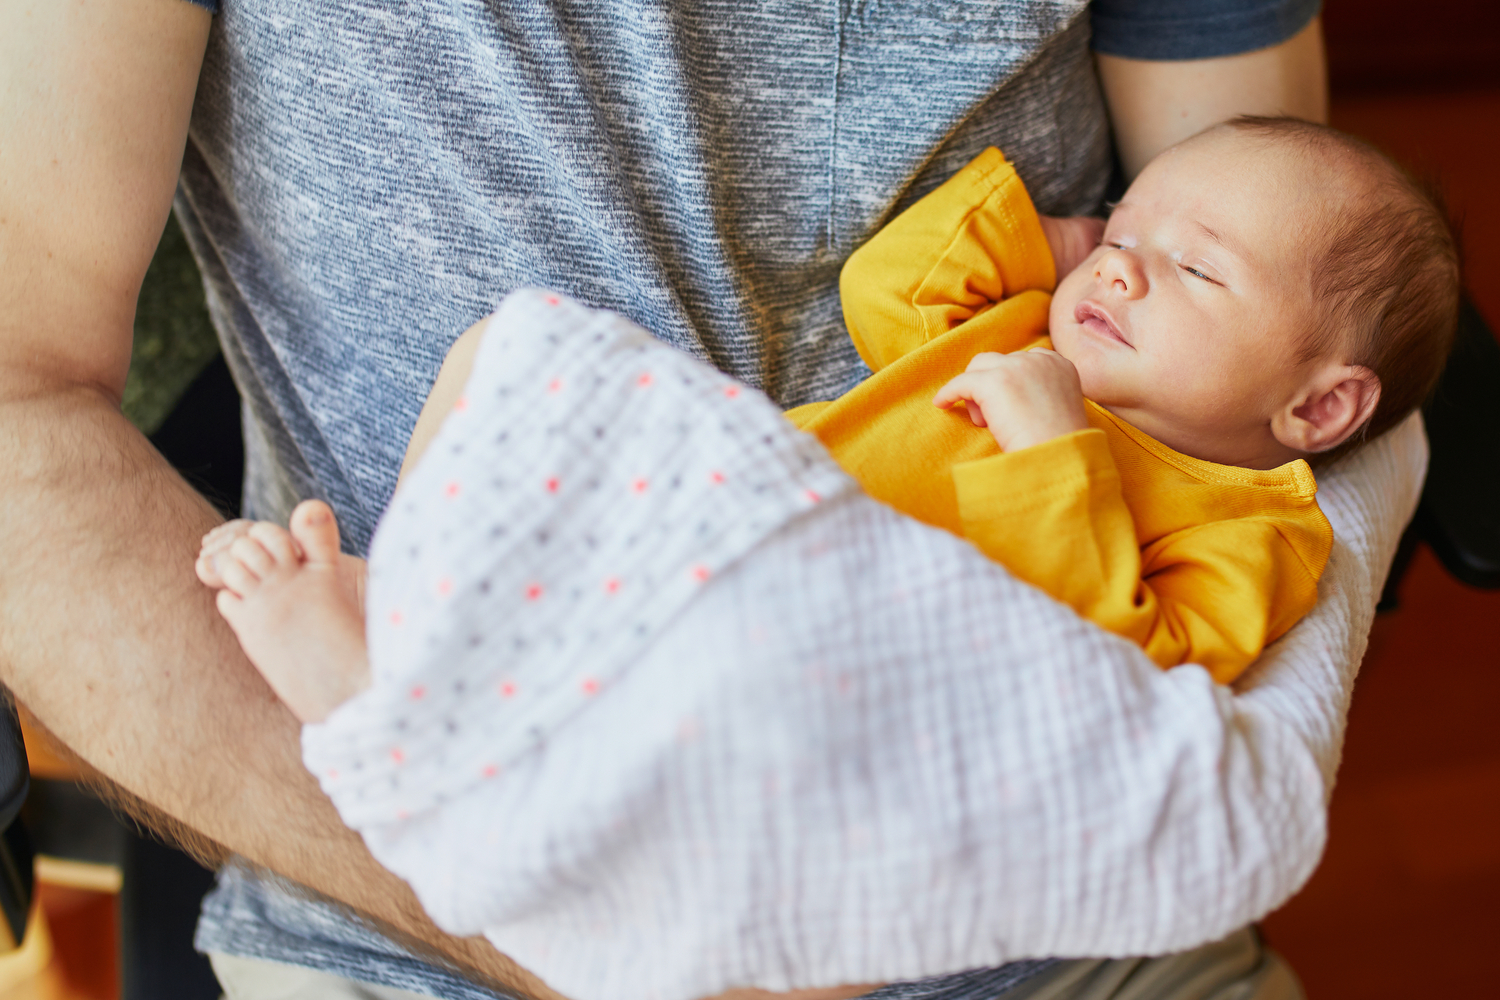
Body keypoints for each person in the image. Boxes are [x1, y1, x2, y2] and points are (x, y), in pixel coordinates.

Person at [0, 0, 1387, 996]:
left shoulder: (1203, 488)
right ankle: (402, 710)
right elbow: (16, 400)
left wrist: (1059, 458)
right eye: (1132, 244)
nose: (1132, 269)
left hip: (1028, 908)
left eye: (1180, 266)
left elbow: (1282, 246)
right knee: (521, 373)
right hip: (436, 914)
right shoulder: (1031, 324)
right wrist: (1058, 235)